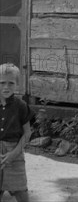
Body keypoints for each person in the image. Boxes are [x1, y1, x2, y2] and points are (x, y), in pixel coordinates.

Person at [0, 64, 33, 202]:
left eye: (11, 83)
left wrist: (14, 153)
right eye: (2, 83)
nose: (6, 87)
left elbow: (27, 133)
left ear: (17, 85)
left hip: (15, 151)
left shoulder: (21, 106)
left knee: (21, 192)